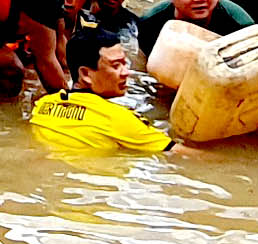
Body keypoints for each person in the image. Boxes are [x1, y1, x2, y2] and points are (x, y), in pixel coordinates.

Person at [29, 29, 176, 153]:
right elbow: (183, 155)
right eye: (116, 65)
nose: (126, 72)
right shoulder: (119, 119)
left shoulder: (42, 106)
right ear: (86, 74)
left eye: (125, 64)